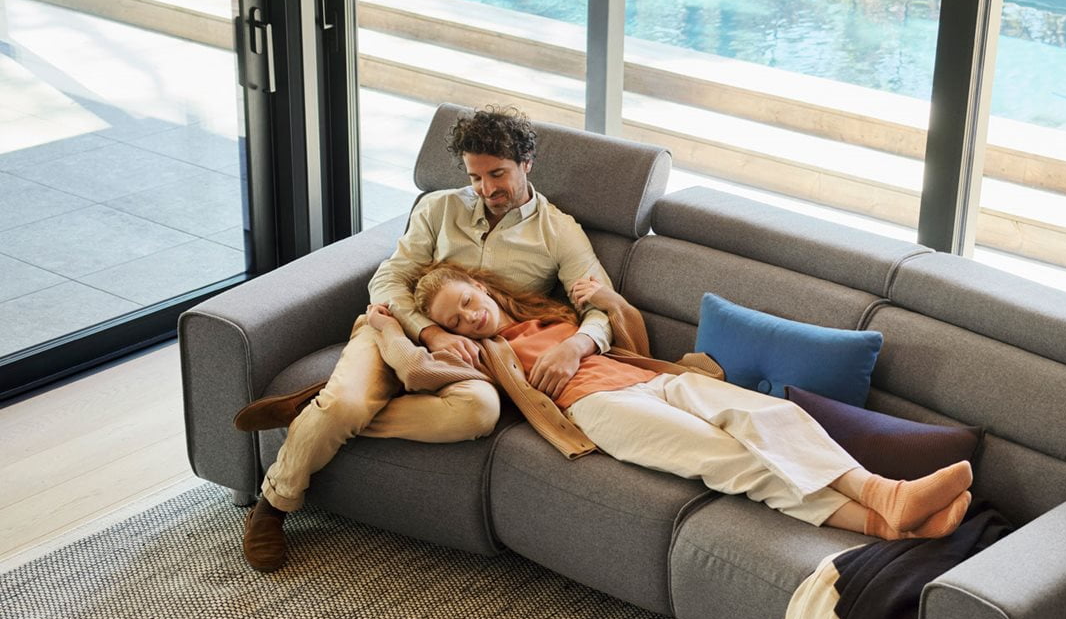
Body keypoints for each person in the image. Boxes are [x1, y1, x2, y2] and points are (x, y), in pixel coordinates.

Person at [232, 106, 619, 573]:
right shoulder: (439, 208)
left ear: (526, 163)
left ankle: (322, 412)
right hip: (392, 327)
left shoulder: (559, 232)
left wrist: (575, 346)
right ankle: (273, 504)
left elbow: (601, 306)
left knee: (479, 412)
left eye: (497, 174)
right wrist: (428, 331)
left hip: (476, 359)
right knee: (347, 403)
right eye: (475, 177)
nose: (486, 189)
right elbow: (388, 279)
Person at [404, 263, 974, 540]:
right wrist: (394, 329)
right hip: (598, 409)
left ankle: (884, 493)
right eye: (455, 320)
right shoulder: (484, 354)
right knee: (728, 456)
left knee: (768, 414)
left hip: (650, 378)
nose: (469, 318)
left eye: (467, 302)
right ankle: (885, 525)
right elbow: (421, 373)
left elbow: (630, 338)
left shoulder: (547, 313)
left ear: (481, 286)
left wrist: (598, 311)